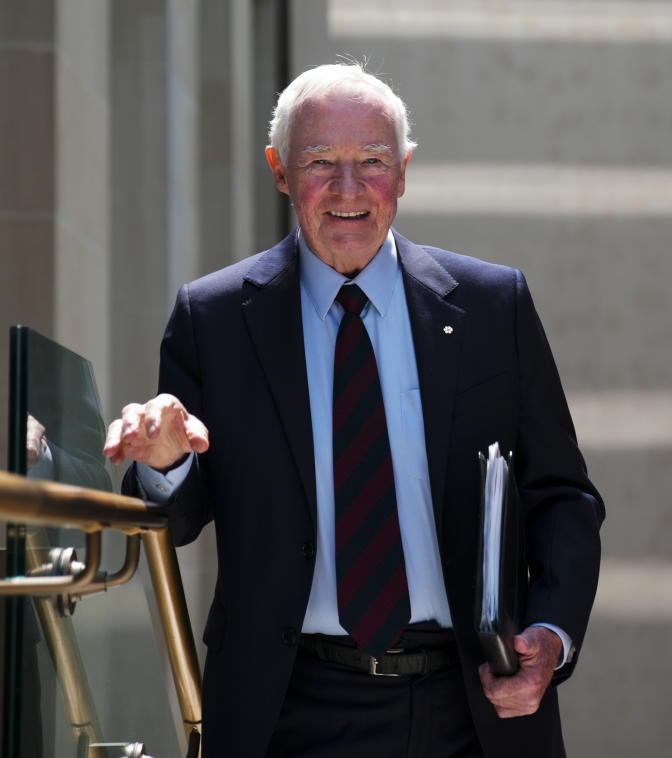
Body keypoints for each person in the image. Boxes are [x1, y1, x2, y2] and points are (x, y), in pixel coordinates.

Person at [103, 63, 603, 757]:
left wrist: (549, 635)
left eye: (371, 161)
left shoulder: (494, 307)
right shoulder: (214, 319)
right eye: (320, 162)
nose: (347, 189)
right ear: (280, 171)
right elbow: (178, 522)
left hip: (474, 707)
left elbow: (563, 498)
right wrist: (167, 466)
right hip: (288, 711)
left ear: (403, 172)